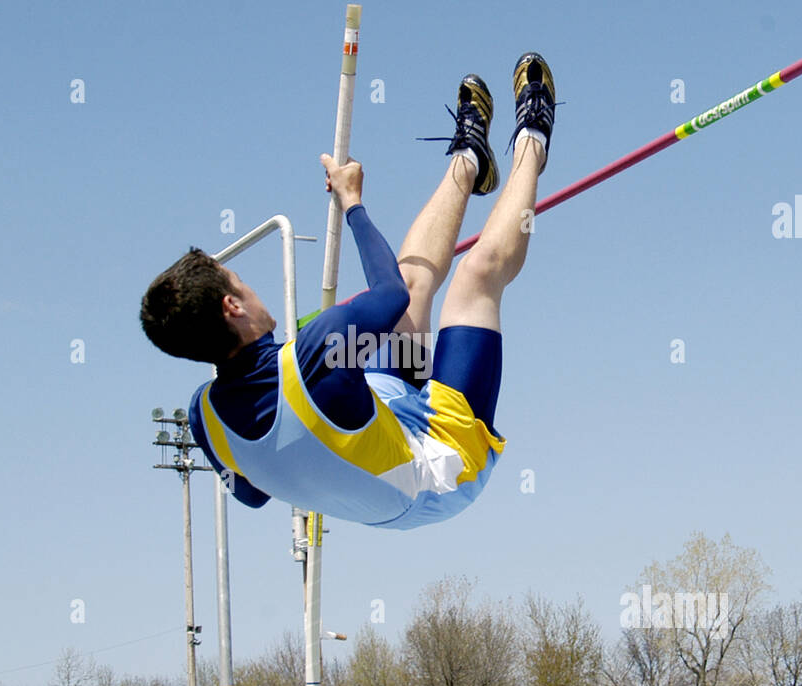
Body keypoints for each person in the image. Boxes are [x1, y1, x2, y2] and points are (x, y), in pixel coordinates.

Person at [140, 57, 557, 531]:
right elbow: (389, 292)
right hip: (437, 470)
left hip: (384, 415)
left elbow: (253, 494)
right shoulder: (316, 349)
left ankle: (469, 159)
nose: (251, 286)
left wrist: (318, 454)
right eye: (241, 282)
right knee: (475, 276)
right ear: (231, 307)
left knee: (417, 284)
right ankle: (534, 138)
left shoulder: (205, 418)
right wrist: (352, 200)